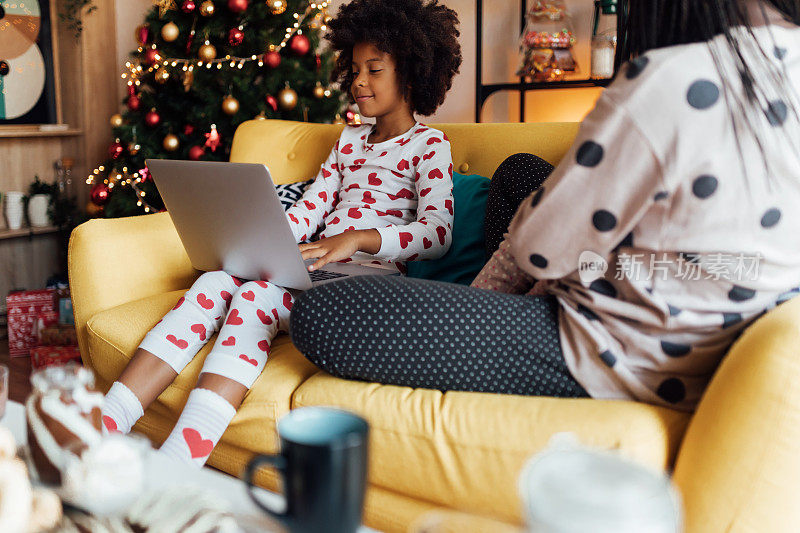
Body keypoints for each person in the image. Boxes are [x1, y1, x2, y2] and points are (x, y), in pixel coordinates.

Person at [290, 0, 800, 413]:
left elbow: (536, 250)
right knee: (519, 171)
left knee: (317, 313)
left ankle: (483, 300)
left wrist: (485, 294)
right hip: (693, 313)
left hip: (608, 345)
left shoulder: (671, 78)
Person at [101, 0, 462, 466]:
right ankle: (104, 423)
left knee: (255, 298)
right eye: (353, 69)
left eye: (374, 70)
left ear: (412, 73)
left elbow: (437, 234)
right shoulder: (348, 142)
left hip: (367, 283)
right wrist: (262, 236)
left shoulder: (428, 146)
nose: (358, 82)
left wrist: (358, 239)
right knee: (213, 283)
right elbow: (312, 205)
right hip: (314, 268)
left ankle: (179, 462)